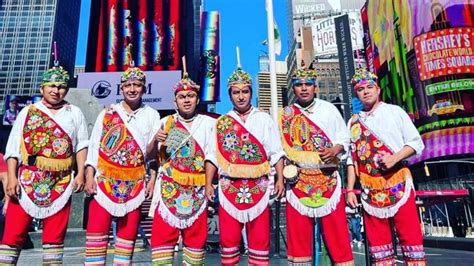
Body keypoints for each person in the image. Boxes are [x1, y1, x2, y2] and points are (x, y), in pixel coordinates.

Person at [0, 65, 89, 265]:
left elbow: (82, 145)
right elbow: (13, 148)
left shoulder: (74, 112)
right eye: (51, 85)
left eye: (61, 86)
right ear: (42, 88)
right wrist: (12, 177)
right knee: (12, 235)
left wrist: (81, 173)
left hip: (61, 180)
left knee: (55, 238)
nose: (56, 90)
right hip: (27, 179)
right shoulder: (27, 112)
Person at [205, 65, 285, 265]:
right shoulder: (222, 123)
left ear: (251, 92)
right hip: (228, 187)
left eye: (245, 91)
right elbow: (212, 155)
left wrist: (280, 179)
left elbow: (276, 153)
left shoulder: (264, 119)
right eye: (236, 92)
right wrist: (208, 183)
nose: (241, 96)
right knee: (229, 241)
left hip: (258, 186)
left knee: (259, 240)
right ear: (230, 95)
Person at [346, 68, 426, 265]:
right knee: (378, 247)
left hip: (398, 182)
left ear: (378, 89)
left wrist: (394, 158)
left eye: (369, 87)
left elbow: (416, 143)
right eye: (360, 89)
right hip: (369, 189)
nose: (365, 92)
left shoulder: (394, 112)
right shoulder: (353, 123)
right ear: (356, 94)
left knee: (411, 239)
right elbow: (351, 159)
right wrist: (349, 190)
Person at [84, 65, 161, 265]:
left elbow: (152, 155)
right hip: (104, 182)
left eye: (137, 85)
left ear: (144, 88)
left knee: (127, 239)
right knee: (96, 236)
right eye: (128, 85)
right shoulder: (108, 113)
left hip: (134, 184)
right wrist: (89, 176)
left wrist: (152, 180)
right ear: (121, 88)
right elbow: (94, 147)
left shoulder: (152, 115)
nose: (132, 89)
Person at [279, 65, 354, 265]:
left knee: (337, 234)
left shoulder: (329, 109)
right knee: (298, 238)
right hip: (297, 182)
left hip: (328, 178)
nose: (304, 88)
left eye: (308, 84)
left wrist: (335, 150)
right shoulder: (285, 115)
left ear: (315, 87)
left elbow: (344, 138)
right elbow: (278, 149)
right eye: (299, 84)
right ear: (293, 88)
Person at [149, 69, 215, 265]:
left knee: (195, 243)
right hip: (168, 190)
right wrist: (154, 140)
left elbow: (212, 156)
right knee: (162, 242)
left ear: (197, 99)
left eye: (191, 96)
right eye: (182, 97)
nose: (186, 100)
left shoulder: (209, 124)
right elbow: (151, 156)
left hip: (197, 190)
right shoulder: (164, 123)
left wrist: (209, 184)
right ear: (175, 101)